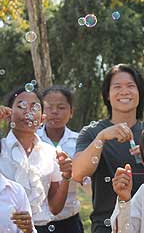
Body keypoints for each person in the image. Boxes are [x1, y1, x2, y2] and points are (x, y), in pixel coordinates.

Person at [72, 64, 144, 233]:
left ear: (140, 92)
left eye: (130, 86)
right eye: (117, 87)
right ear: (107, 94)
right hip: (107, 226)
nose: (124, 91)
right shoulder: (92, 133)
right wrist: (102, 137)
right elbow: (78, 173)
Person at [0, 87, 72, 233]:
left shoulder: (50, 152)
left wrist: (66, 177)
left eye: (35, 107)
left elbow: (55, 208)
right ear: (8, 115)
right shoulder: (1, 148)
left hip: (43, 228)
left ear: (42, 119)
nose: (28, 112)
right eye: (21, 106)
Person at [37, 85, 84, 233]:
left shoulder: (79, 141)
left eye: (61, 107)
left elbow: (86, 179)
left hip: (69, 222)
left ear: (71, 112)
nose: (55, 112)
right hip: (36, 221)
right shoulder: (31, 139)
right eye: (48, 107)